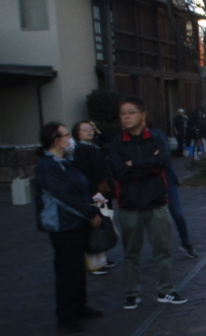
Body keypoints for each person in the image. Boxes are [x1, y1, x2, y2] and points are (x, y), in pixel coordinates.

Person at [108, 97, 187, 310]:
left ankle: (166, 290)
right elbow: (119, 172)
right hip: (130, 205)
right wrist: (146, 166)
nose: (126, 117)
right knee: (131, 253)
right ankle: (132, 293)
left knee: (163, 250)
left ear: (142, 115)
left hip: (157, 203)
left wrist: (133, 164)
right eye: (122, 113)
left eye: (131, 112)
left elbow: (161, 163)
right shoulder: (116, 144)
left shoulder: (156, 139)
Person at [34, 122, 103, 333]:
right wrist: (89, 213)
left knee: (77, 268)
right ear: (57, 141)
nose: (70, 138)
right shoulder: (47, 167)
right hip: (62, 226)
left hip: (76, 223)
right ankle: (66, 314)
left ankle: (79, 306)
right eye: (66, 135)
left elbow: (81, 188)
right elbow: (64, 196)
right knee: (67, 270)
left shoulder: (66, 162)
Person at [71, 120, 117, 274]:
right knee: (95, 226)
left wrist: (98, 130)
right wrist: (93, 192)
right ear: (77, 133)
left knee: (105, 223)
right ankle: (94, 262)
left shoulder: (94, 145)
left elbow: (109, 141)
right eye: (84, 129)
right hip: (94, 193)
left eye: (90, 128)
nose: (89, 131)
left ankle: (101, 257)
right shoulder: (81, 149)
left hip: (104, 191)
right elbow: (84, 174)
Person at [150, 124, 199, 259]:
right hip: (151, 184)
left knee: (177, 213)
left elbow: (164, 156)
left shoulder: (157, 133)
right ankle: (159, 248)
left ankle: (186, 243)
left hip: (168, 181)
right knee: (155, 218)